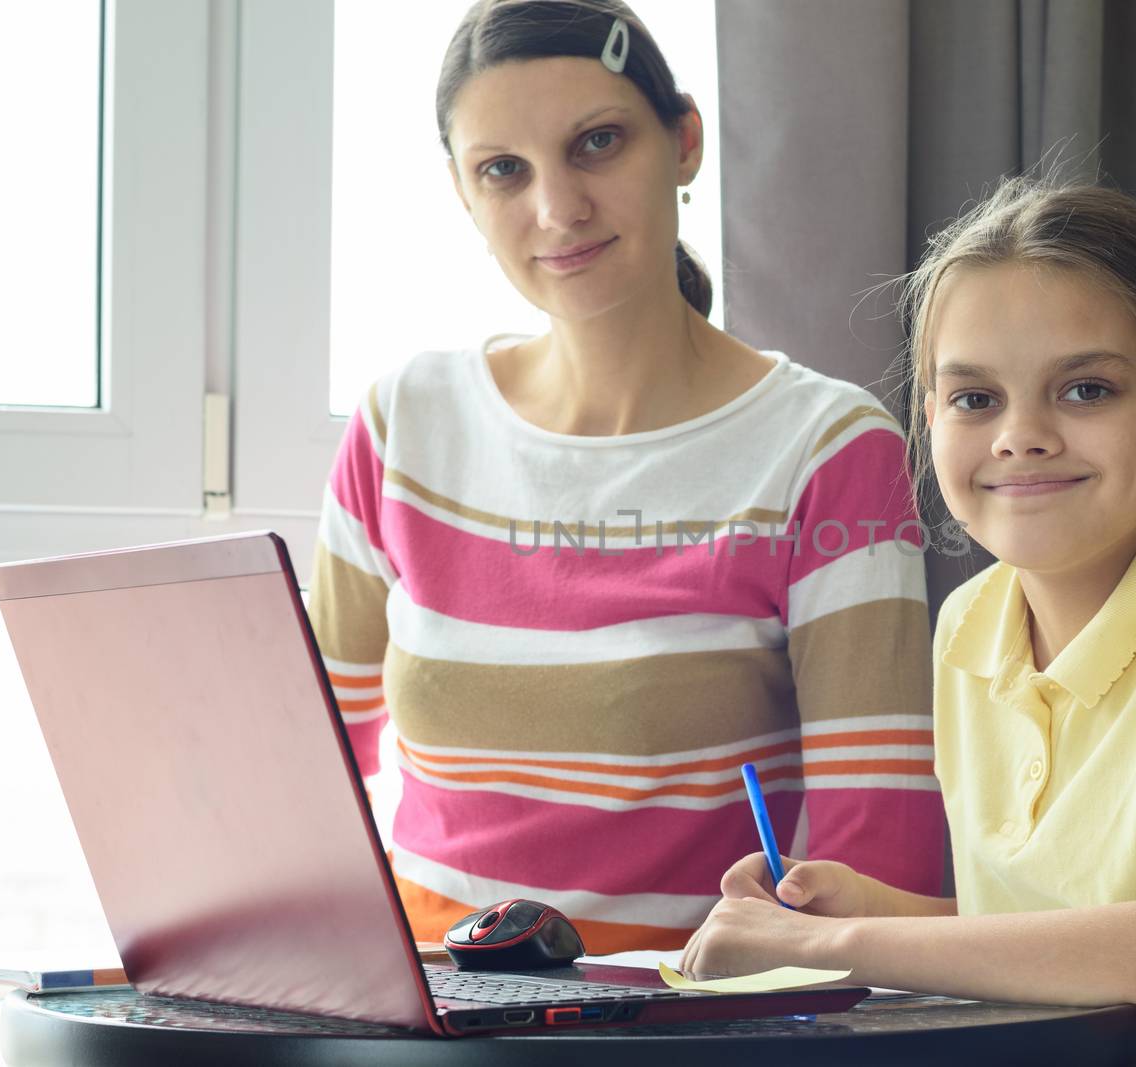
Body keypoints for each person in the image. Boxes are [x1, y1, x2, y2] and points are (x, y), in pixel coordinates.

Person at [682, 176, 1136, 1064]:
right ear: (931, 421)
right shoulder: (968, 628)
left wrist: (834, 950)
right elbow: (1049, 939)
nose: (1019, 434)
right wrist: (872, 911)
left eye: (1085, 390)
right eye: (976, 399)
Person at [306, 0, 945, 955]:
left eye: (597, 143)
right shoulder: (405, 422)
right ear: (461, 191)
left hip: (679, 1015)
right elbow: (301, 778)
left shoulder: (827, 446)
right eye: (504, 171)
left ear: (683, 142)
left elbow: (877, 868)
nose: (557, 210)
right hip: (423, 1001)